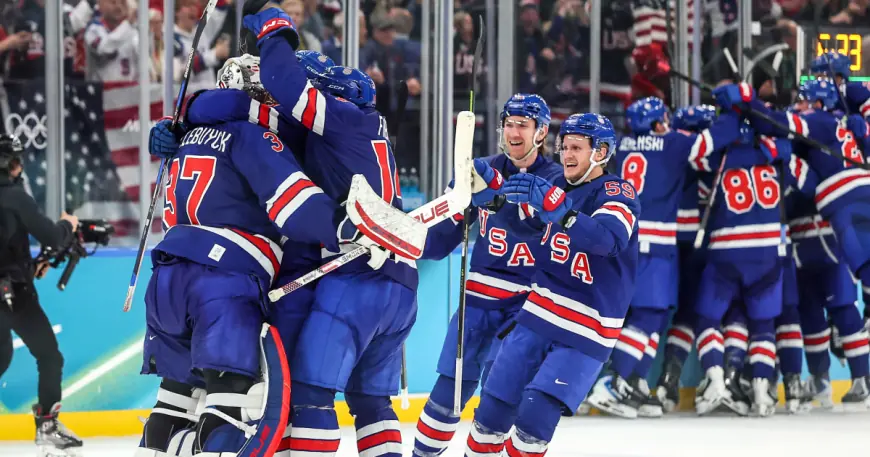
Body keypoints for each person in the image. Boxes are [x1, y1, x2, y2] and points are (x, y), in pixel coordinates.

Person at [183, 3, 419, 454]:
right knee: (371, 402)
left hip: (352, 277)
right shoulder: (367, 130)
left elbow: (284, 86)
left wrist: (275, 31)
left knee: (309, 397)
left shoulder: (339, 119)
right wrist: (188, 117)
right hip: (400, 285)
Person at [462, 113, 639, 456]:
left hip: (587, 327)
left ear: (601, 152)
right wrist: (492, 197)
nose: (567, 155)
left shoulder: (617, 191)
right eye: (563, 147)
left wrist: (563, 212)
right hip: (538, 314)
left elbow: (608, 240)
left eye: (576, 148)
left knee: (533, 422)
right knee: (489, 415)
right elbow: (524, 226)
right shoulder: (556, 186)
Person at [412, 94, 562, 457]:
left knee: (502, 395)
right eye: (508, 123)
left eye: (522, 124)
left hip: (525, 308)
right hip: (477, 302)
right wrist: (414, 238)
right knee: (448, 392)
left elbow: (542, 222)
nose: (513, 131)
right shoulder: (477, 169)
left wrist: (498, 196)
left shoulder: (557, 177)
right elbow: (441, 241)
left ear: (541, 132)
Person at [588, 97, 739, 419]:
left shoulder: (625, 144)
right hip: (655, 243)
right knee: (648, 315)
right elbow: (719, 137)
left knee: (651, 317)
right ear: (658, 124)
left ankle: (636, 382)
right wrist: (733, 110)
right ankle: (612, 383)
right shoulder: (673, 143)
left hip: (627, 238)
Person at [744, 77, 870, 408]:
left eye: (803, 101)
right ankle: (827, 381)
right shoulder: (838, 128)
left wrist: (752, 108)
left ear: (815, 103)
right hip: (810, 235)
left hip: (819, 231)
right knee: (814, 310)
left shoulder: (813, 125)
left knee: (840, 308)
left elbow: (805, 183)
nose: (798, 105)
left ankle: (857, 379)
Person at [0, 133, 82, 454]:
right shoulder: (16, 196)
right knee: (49, 356)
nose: (21, 167)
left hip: (12, 284)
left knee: (2, 359)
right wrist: (68, 225)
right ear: (9, 164)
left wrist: (29, 265)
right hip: (13, 296)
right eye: (17, 161)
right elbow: (51, 235)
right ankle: (47, 425)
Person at [654, 105, 717, 413]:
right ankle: (673, 377)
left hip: (665, 242)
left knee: (652, 311)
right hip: (696, 243)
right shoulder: (707, 152)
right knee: (692, 313)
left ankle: (664, 378)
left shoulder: (667, 148)